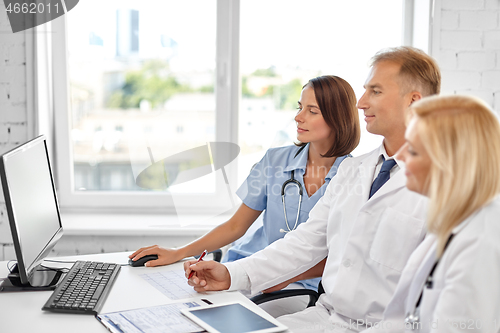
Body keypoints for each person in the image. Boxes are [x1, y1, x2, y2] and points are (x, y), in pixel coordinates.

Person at [184, 46, 441, 332]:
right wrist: (232, 273)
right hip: (326, 317)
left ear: (413, 101)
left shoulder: (446, 187)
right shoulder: (353, 171)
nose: (361, 103)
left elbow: (441, 299)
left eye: (376, 91)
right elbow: (304, 243)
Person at [130, 75, 361, 317]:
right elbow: (236, 225)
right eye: (299, 107)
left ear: (338, 118)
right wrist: (179, 252)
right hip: (242, 265)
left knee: (233, 321)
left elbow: (343, 255)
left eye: (311, 110)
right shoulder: (275, 161)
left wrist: (288, 274)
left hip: (296, 285)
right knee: (181, 313)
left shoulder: (355, 178)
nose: (298, 116)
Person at [361, 95, 500, 333]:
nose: (401, 156)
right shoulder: (453, 221)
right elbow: (405, 323)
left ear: (450, 161)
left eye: (413, 150)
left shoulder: (480, 242)